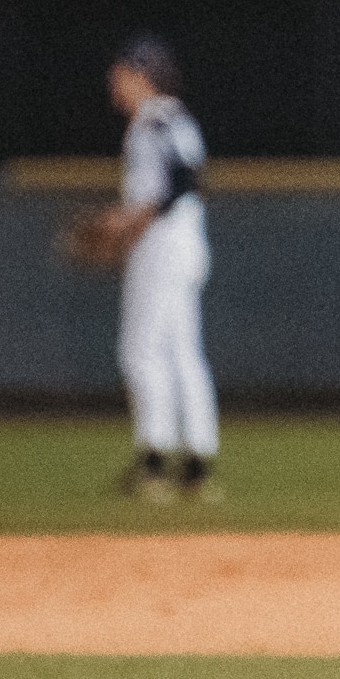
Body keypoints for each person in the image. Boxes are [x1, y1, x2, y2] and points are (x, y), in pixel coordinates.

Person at [101, 34, 219, 501]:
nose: (115, 83)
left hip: (163, 246)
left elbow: (179, 184)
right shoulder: (177, 118)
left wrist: (123, 223)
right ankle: (196, 464)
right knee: (183, 353)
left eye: (121, 74)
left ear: (140, 74)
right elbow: (189, 179)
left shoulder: (153, 120)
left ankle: (153, 461)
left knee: (141, 352)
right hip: (185, 243)